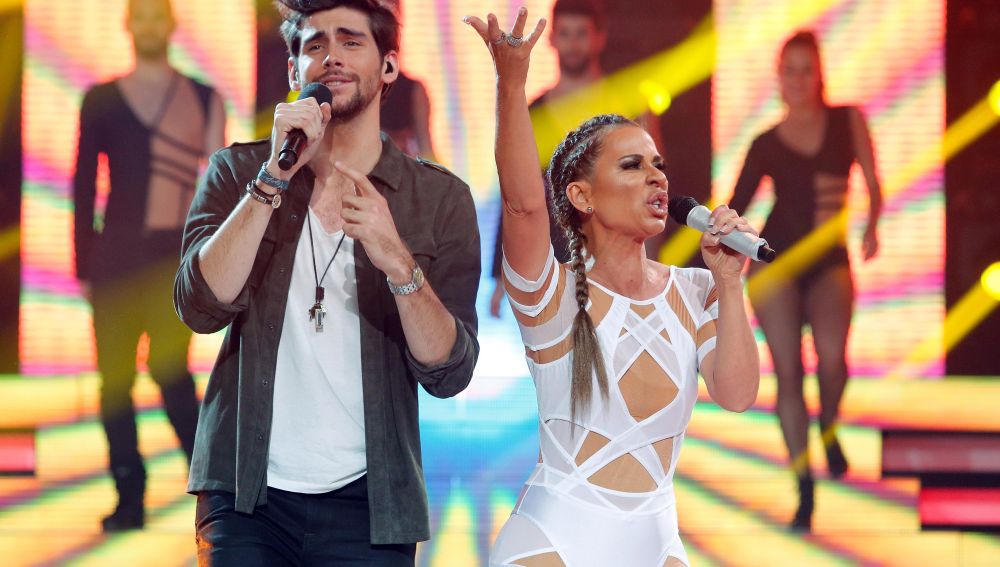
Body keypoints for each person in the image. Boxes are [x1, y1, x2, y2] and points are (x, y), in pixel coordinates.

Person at [174, 0, 480, 564]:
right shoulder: (238, 172)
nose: (331, 56)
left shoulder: (439, 199)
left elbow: (450, 370)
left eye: (350, 41)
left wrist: (398, 261)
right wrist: (273, 177)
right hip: (244, 493)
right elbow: (198, 307)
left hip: (370, 503)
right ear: (295, 71)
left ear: (389, 66)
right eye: (314, 45)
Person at [466, 9, 759, 566]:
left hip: (656, 543)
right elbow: (524, 205)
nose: (657, 177)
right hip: (552, 542)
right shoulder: (552, 295)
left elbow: (738, 395)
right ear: (582, 196)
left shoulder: (696, 290)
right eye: (632, 165)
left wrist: (729, 283)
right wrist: (511, 83)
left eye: (658, 165)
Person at [72, 0, 226, 532]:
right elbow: (82, 182)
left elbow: (221, 185)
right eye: (142, 16)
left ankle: (212, 493)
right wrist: (83, 264)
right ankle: (129, 498)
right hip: (114, 261)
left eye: (158, 16)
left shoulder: (203, 98)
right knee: (114, 383)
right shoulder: (101, 100)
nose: (150, 26)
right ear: (129, 25)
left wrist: (211, 263)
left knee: (171, 374)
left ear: (171, 25)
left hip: (170, 262)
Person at [728, 31, 882, 531]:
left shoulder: (847, 120)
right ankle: (804, 485)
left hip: (829, 260)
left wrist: (873, 226)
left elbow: (874, 184)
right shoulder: (766, 142)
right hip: (775, 263)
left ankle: (829, 425)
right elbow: (736, 207)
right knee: (789, 374)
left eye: (805, 69)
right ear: (779, 77)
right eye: (789, 70)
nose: (797, 79)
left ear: (819, 74)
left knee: (833, 359)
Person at [488, 0, 662, 318]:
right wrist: (502, 275)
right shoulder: (533, 113)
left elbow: (652, 189)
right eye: (565, 33)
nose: (573, 43)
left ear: (599, 37)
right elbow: (515, 190)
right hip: (551, 263)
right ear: (552, 39)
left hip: (619, 259)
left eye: (581, 33)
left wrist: (652, 266)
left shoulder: (628, 106)